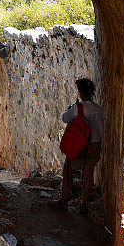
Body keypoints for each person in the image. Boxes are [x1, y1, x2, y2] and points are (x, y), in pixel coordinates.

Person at [49, 78, 105, 214]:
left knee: (68, 171)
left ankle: (64, 201)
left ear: (81, 92)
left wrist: (70, 109)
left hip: (79, 145)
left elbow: (64, 118)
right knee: (88, 173)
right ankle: (84, 204)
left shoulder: (78, 108)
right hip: (95, 144)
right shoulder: (99, 109)